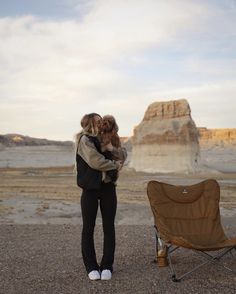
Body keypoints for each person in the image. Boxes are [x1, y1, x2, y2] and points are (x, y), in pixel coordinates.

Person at [75, 113, 127, 281]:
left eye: (102, 120)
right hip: (90, 189)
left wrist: (112, 149)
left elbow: (124, 154)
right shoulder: (85, 140)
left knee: (109, 227)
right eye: (98, 121)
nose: (102, 123)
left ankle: (107, 266)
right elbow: (95, 161)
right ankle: (91, 267)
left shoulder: (109, 137)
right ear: (90, 123)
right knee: (88, 228)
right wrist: (115, 166)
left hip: (108, 188)